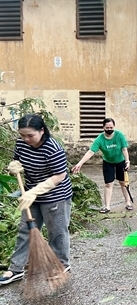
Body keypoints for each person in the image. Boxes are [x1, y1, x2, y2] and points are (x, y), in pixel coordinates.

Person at [0, 114, 73, 285]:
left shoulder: (53, 148)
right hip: (31, 195)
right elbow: (18, 160)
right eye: (22, 135)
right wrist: (14, 166)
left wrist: (35, 191)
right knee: (26, 230)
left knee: (57, 231)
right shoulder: (21, 143)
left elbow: (60, 176)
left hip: (55, 196)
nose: (26, 139)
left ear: (42, 131)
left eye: (30, 135)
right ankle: (16, 268)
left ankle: (61, 265)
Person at [72, 118, 132, 213]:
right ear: (103, 127)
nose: (109, 129)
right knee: (108, 184)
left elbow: (124, 149)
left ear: (114, 127)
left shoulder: (119, 135)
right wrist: (80, 163)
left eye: (111, 127)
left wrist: (127, 161)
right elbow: (91, 152)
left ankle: (128, 202)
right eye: (107, 127)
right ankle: (107, 206)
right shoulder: (99, 139)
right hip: (108, 162)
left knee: (123, 183)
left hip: (121, 161)